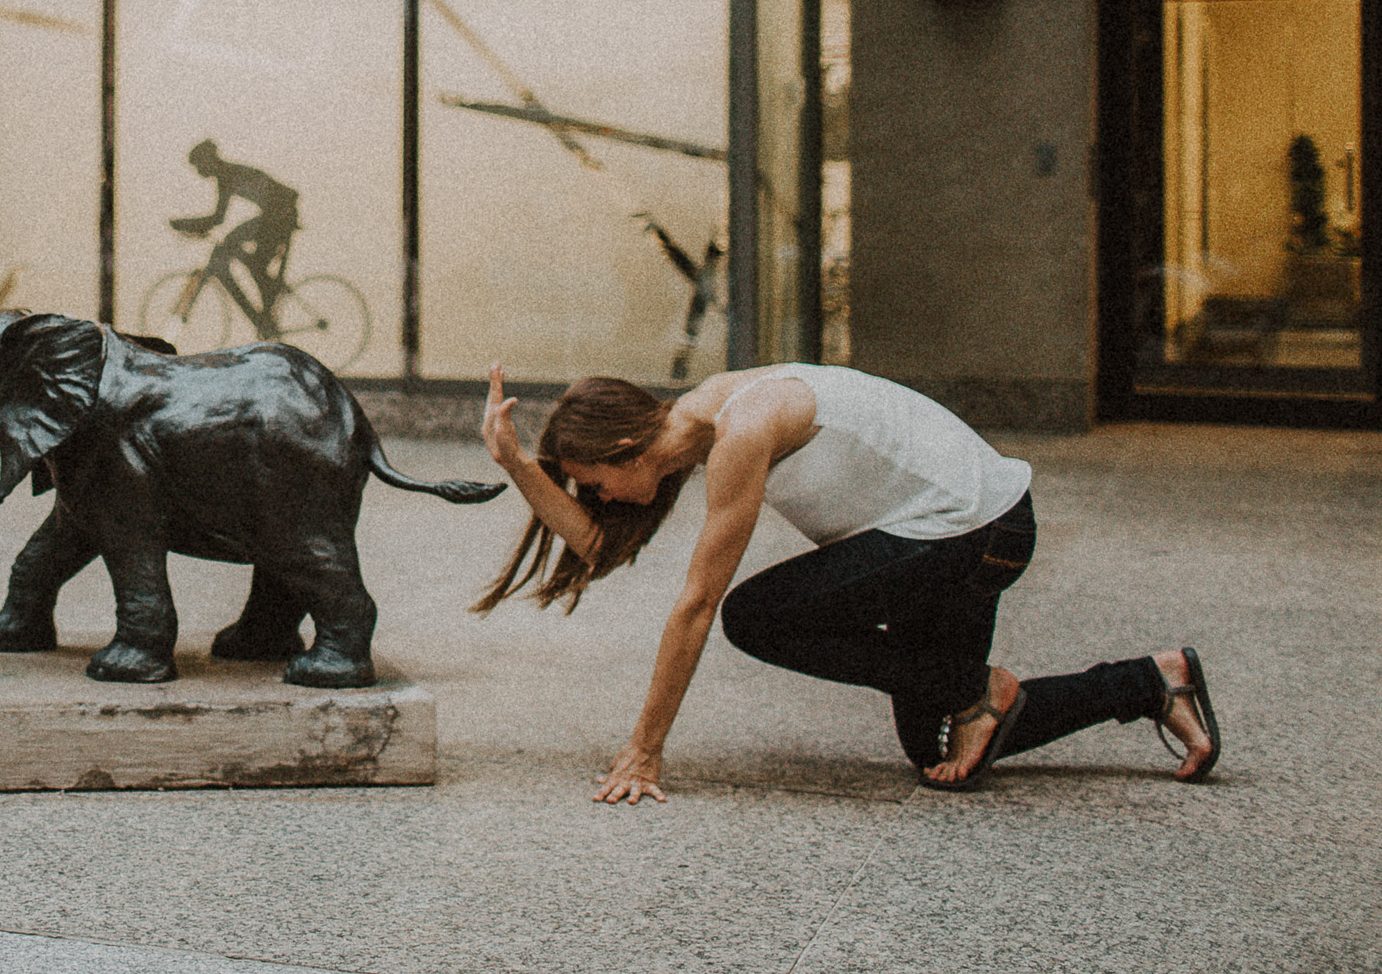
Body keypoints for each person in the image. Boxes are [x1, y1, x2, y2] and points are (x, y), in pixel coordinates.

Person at [475, 361, 1220, 801]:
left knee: (753, 616)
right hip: (954, 533)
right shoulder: (692, 424)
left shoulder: (741, 429)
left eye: (592, 479)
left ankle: (970, 688)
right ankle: (1152, 681)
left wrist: (643, 750)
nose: (595, 495)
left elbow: (696, 605)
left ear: (628, 446)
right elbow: (599, 543)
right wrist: (515, 463)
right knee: (936, 743)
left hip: (979, 532)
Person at [169, 140, 301, 319]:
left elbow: (217, 218)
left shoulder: (227, 175)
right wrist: (191, 224)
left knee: (254, 263)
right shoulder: (227, 174)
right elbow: (218, 219)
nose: (199, 170)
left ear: (208, 161)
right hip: (277, 214)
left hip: (280, 215)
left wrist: (185, 224)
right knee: (236, 246)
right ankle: (266, 312)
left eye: (199, 165)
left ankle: (266, 314)